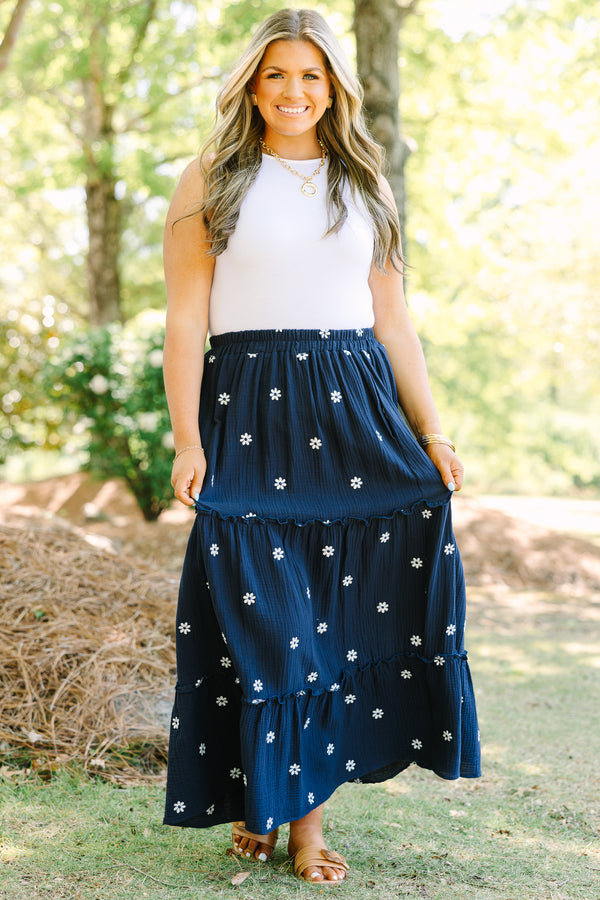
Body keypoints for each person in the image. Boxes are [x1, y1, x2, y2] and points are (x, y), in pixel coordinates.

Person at [161, 7, 481, 885]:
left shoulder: (364, 184)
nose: (293, 92)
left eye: (310, 76)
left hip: (358, 420)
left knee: (334, 634)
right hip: (248, 415)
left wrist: (433, 432)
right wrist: (187, 441)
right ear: (252, 86)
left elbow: (393, 324)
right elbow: (186, 320)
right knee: (271, 630)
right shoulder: (211, 179)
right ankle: (260, 803)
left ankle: (301, 830)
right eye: (275, 75)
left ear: (335, 86)